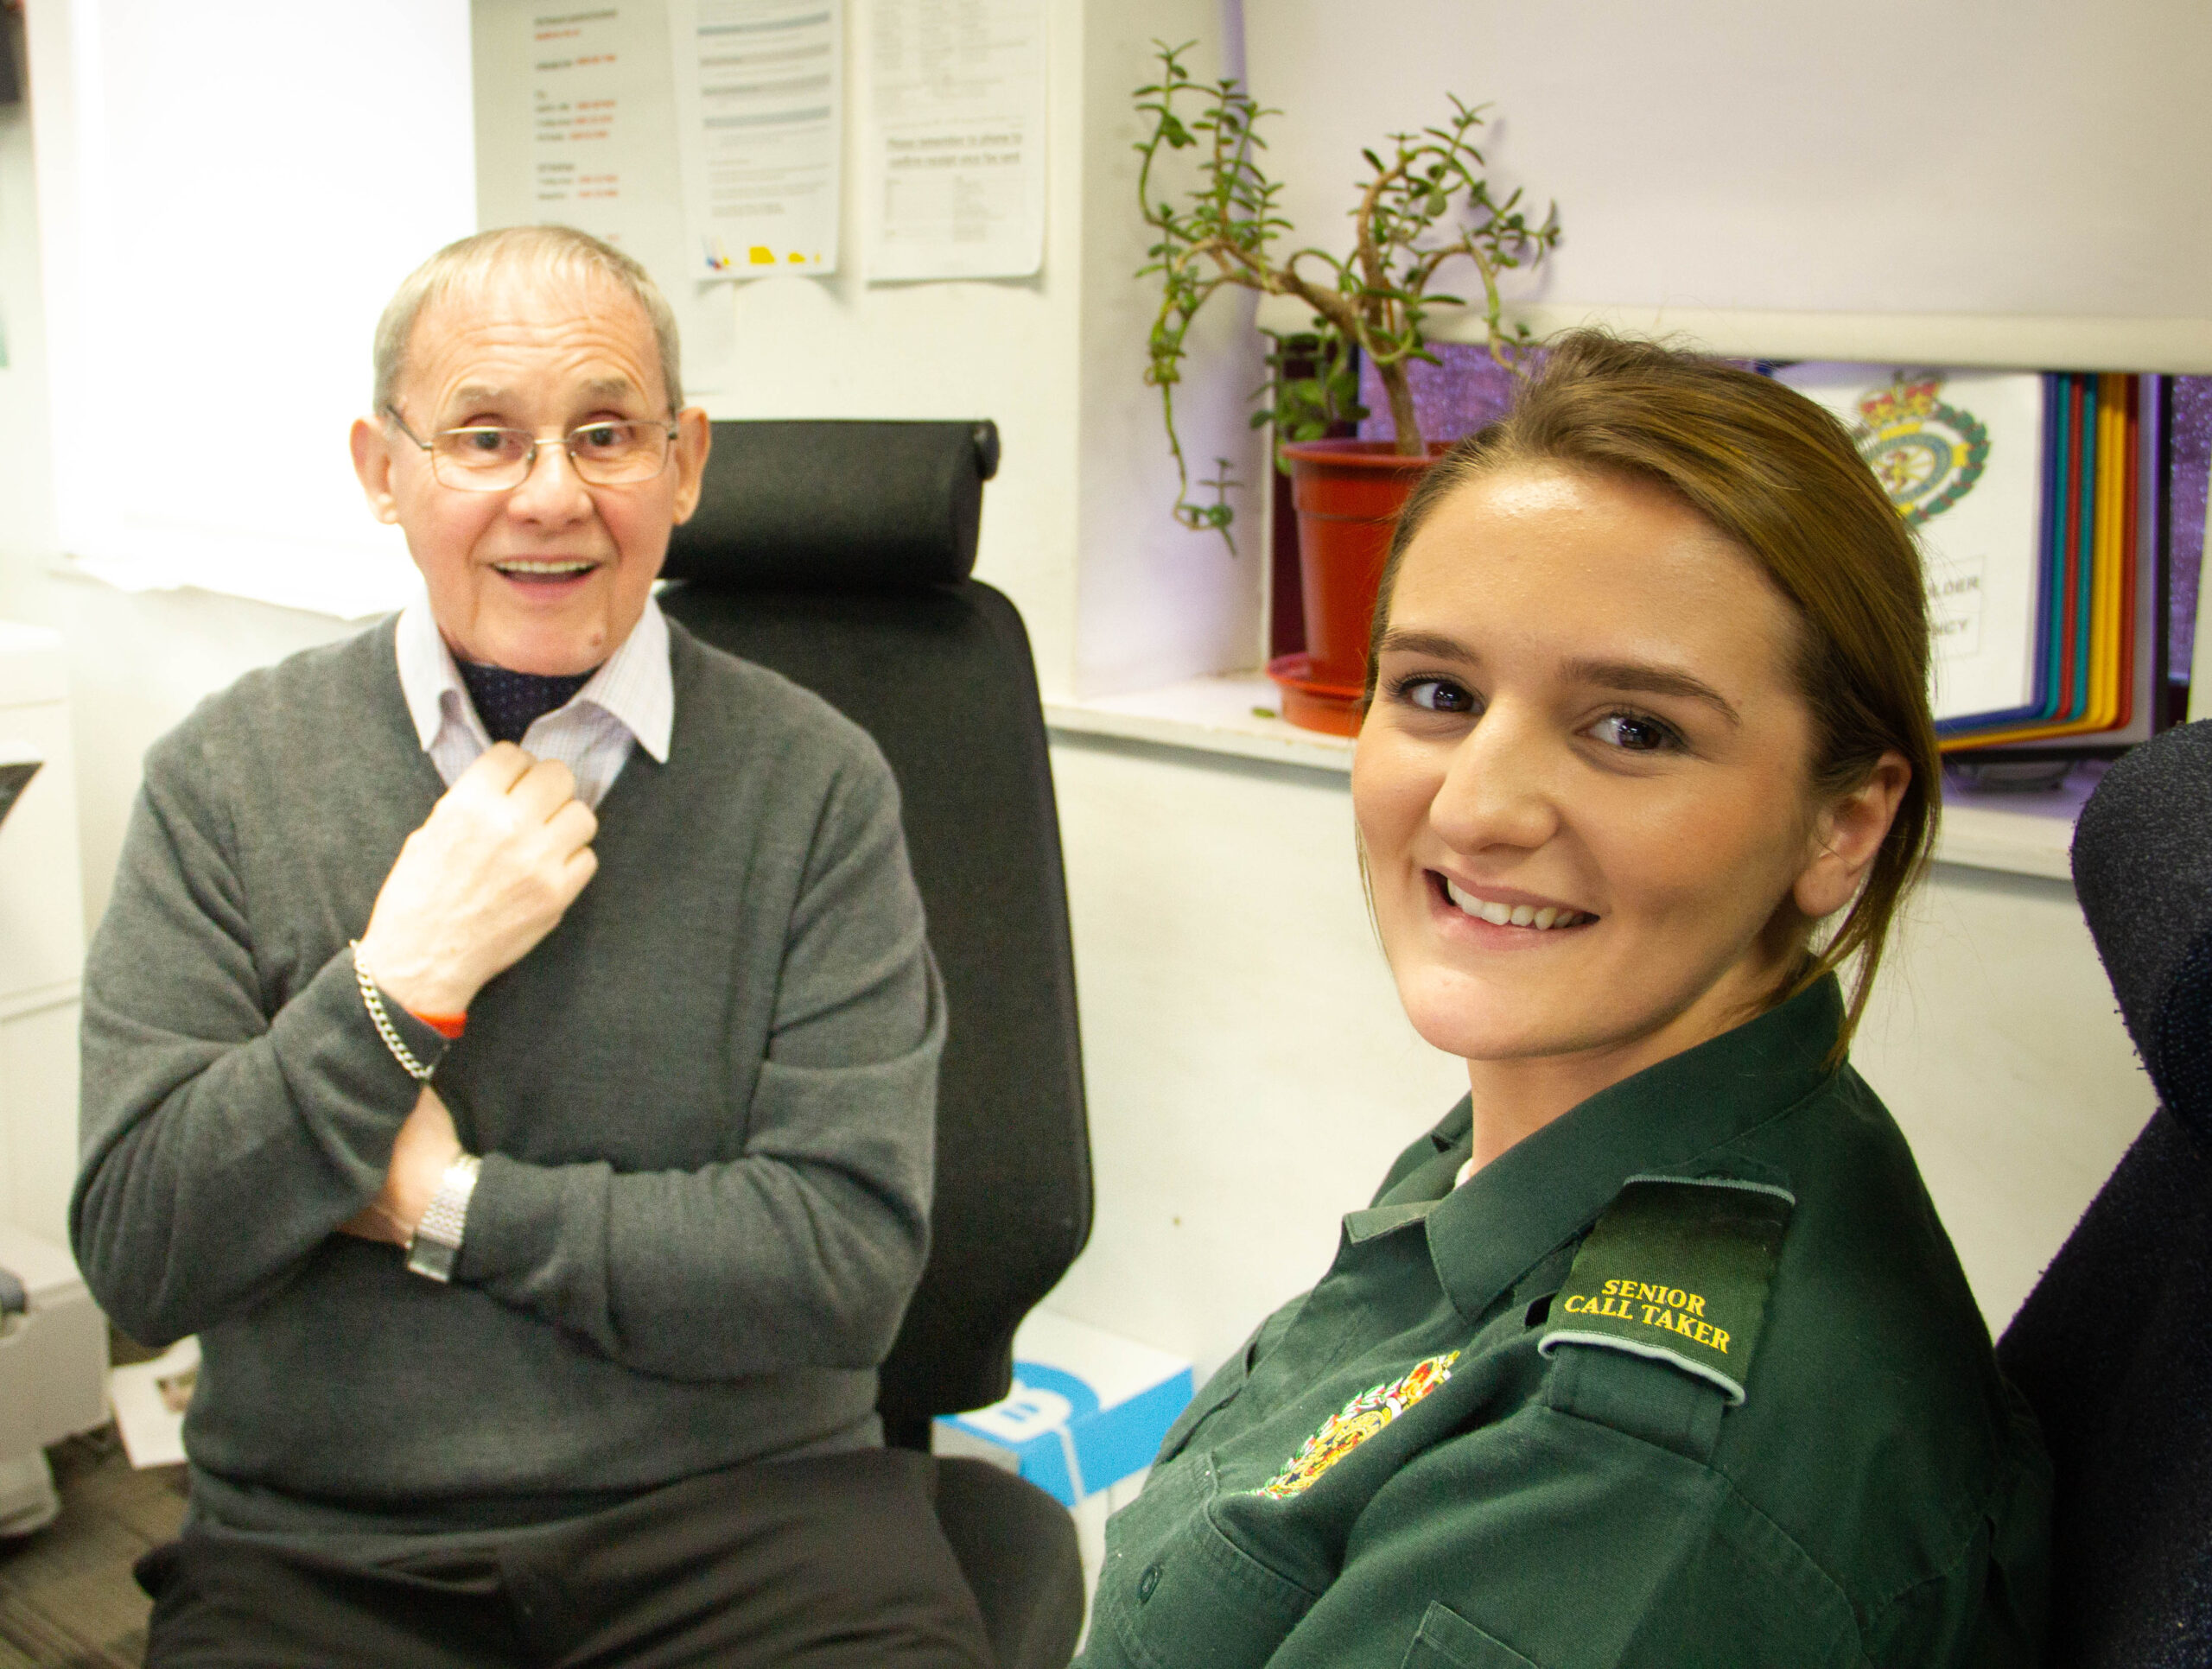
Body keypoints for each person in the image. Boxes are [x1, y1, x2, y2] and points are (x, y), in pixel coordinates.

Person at [73, 225, 992, 1667]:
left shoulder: (817, 785)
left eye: (608, 434)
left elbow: (843, 1260)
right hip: (329, 1549)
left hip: (754, 1525)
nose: (551, 496)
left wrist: (450, 1205)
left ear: (685, 463)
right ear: (385, 472)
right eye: (484, 438)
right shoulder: (228, 777)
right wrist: (396, 990)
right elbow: (142, 1250)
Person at [1078, 332, 2050, 1668]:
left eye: (1633, 729)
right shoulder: (1566, 1117)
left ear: (1843, 822)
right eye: (1437, 693)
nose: (1476, 807)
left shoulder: (1631, 1488)